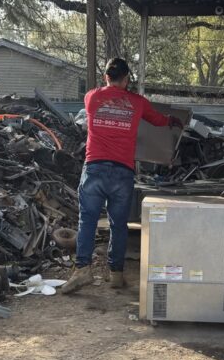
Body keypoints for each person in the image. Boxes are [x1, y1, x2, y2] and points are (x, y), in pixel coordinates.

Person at [61, 57, 182, 295]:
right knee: (119, 225)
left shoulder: (92, 97)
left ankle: (82, 270)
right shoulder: (137, 103)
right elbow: (157, 119)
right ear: (126, 79)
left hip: (94, 168)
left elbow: (103, 102)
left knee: (87, 221)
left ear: (106, 76)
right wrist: (172, 121)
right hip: (122, 173)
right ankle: (116, 274)